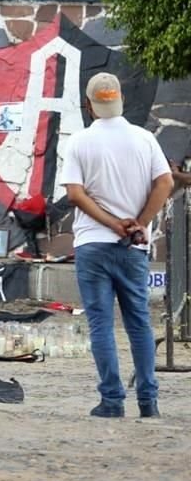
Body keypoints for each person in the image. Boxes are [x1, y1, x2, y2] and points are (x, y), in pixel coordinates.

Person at [60, 72, 173, 418]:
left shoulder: (79, 142)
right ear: (120, 98)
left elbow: (75, 193)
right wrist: (139, 222)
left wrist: (110, 223)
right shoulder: (144, 139)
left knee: (101, 325)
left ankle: (111, 401)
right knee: (139, 322)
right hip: (133, 249)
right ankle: (148, 401)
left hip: (93, 245)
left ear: (89, 105)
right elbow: (165, 181)